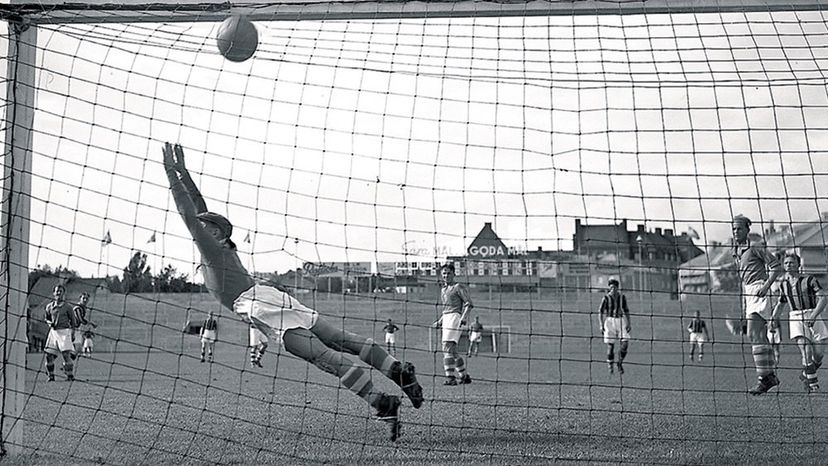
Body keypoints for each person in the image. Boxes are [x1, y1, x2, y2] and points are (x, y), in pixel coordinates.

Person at [162, 142, 422, 440]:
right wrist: (183, 171)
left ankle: (382, 402)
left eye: (204, 226)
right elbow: (198, 206)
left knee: (323, 357)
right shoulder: (220, 249)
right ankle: (398, 371)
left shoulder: (213, 250)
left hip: (260, 306)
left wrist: (171, 173)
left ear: (217, 233)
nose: (198, 226)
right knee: (341, 340)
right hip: (272, 297)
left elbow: (188, 212)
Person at [732, 214, 783, 395]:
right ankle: (769, 376)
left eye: (739, 228)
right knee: (758, 335)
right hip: (748, 293)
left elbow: (777, 267)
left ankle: (765, 379)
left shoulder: (755, 247)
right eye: (734, 229)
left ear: (747, 230)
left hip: (759, 289)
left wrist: (766, 286)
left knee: (754, 334)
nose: (736, 231)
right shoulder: (737, 251)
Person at [770, 252, 828, 393]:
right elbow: (781, 303)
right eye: (786, 263)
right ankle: (813, 385)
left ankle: (805, 374)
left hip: (812, 314)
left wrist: (814, 315)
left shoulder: (810, 280)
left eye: (791, 262)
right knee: (806, 349)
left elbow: (823, 299)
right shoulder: (783, 285)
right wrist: (773, 319)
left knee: (819, 354)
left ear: (798, 264)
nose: (788, 265)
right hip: (795, 317)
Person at [435, 263, 472, 386]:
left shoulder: (458, 287)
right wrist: (440, 321)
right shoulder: (443, 289)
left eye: (448, 273)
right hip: (446, 318)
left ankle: (450, 378)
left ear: (454, 274)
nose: (446, 275)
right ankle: (464, 376)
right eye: (444, 273)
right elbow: (447, 308)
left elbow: (468, 303)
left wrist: (463, 317)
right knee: (453, 350)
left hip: (454, 318)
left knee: (447, 347)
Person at [44, 284, 79, 381]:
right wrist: (49, 323)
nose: (58, 293)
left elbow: (73, 321)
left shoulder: (68, 307)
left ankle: (70, 375)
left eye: (61, 291)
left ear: (64, 293)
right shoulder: (49, 306)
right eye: (57, 291)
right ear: (53, 293)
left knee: (65, 355)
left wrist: (72, 333)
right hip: (53, 332)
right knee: (48, 355)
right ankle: (51, 376)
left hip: (64, 332)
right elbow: (46, 318)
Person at [598, 278, 632, 374]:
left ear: (617, 288)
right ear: (609, 288)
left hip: (620, 320)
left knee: (625, 343)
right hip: (609, 321)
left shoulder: (622, 297)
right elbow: (600, 312)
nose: (613, 289)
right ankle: (610, 365)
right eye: (611, 287)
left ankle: (620, 362)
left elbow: (626, 310)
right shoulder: (605, 298)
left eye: (615, 287)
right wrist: (601, 324)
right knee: (610, 346)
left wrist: (629, 322)